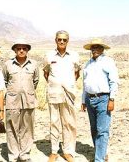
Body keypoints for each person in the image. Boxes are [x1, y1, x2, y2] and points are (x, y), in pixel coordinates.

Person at [43, 30, 81, 162]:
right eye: (59, 39)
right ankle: (54, 151)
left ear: (68, 41)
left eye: (64, 40)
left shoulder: (74, 56)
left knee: (69, 123)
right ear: (55, 40)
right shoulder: (49, 55)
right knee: (54, 122)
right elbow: (46, 74)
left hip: (69, 94)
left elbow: (77, 73)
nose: (62, 42)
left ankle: (68, 151)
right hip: (54, 93)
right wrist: (56, 83)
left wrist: (68, 84)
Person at [81, 38, 119, 162]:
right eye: (93, 47)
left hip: (103, 99)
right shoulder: (88, 64)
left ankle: (99, 159)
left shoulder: (108, 62)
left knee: (102, 130)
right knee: (94, 129)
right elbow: (84, 84)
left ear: (102, 49)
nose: (95, 49)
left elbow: (113, 81)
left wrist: (111, 99)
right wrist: (83, 100)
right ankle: (101, 154)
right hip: (90, 99)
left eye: (97, 47)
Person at [2, 39, 39, 162]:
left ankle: (25, 155)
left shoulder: (33, 64)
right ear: (15, 50)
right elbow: (5, 81)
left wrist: (27, 91)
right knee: (11, 128)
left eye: (24, 48)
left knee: (27, 128)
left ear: (27, 50)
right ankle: (13, 155)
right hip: (12, 101)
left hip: (29, 101)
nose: (21, 50)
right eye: (19, 48)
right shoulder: (8, 64)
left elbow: (36, 81)